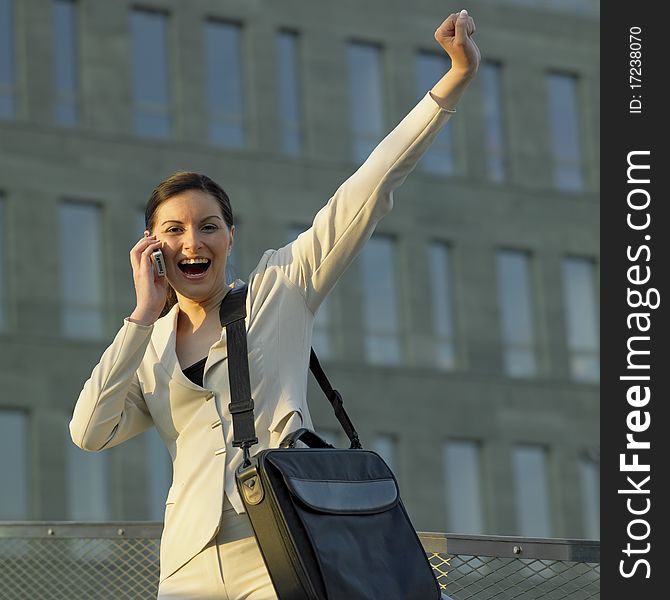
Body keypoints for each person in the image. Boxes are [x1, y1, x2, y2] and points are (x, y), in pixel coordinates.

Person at [69, 9, 480, 600]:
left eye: (208, 226)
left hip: (282, 550)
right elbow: (89, 432)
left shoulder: (280, 288)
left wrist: (453, 81)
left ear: (229, 237)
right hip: (186, 568)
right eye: (175, 231)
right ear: (152, 248)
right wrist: (139, 318)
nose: (193, 242)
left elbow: (370, 185)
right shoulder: (149, 347)